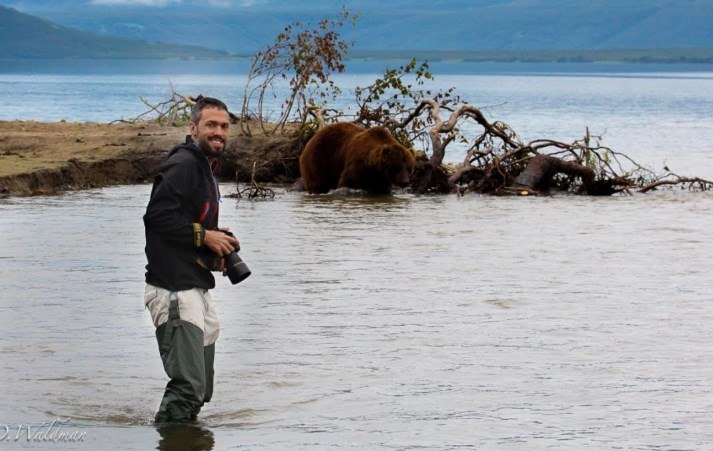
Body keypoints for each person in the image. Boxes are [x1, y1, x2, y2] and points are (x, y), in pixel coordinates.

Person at [143, 97, 239, 423]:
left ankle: (188, 437)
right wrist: (205, 236)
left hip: (195, 284)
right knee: (188, 387)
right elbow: (156, 217)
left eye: (224, 126)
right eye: (211, 125)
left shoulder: (205, 168)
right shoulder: (184, 164)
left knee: (202, 389)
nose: (219, 132)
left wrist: (214, 255)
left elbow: (179, 227)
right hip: (173, 287)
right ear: (193, 127)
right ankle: (168, 438)